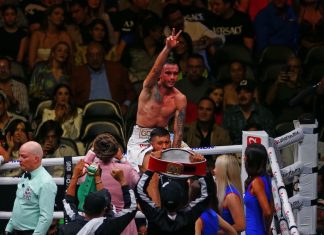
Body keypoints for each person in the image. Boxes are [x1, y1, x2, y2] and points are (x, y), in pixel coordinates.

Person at [126, 29, 187, 170]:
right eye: (168, 73)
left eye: (175, 74)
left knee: (189, 162)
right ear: (160, 74)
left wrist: (174, 155)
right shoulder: (149, 89)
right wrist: (168, 48)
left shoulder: (180, 98)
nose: (172, 77)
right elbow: (154, 69)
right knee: (151, 166)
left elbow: (178, 132)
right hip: (142, 140)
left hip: (165, 138)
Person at [135, 152, 209, 235]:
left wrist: (153, 165)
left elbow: (139, 190)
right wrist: (199, 167)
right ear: (182, 199)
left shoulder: (154, 215)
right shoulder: (189, 216)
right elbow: (207, 193)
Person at [59, 159, 137, 235]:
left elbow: (68, 201)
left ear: (83, 207)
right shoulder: (110, 226)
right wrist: (122, 180)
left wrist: (75, 176)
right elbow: (131, 207)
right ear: (105, 208)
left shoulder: (68, 228)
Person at [83, 133, 139, 235]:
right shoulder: (125, 169)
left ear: (96, 150)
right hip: (124, 222)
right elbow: (137, 181)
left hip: (99, 224)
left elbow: (81, 170)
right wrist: (122, 158)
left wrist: (91, 151)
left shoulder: (90, 170)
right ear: (116, 149)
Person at [5, 141, 57, 235]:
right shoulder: (25, 174)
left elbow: (46, 217)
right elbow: (19, 203)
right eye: (19, 155)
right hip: (15, 231)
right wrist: (9, 227)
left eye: (24, 156)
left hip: (31, 232)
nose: (19, 159)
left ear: (36, 159)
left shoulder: (46, 182)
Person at [70, 41, 135, 111]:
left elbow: (131, 91)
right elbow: (71, 96)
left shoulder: (117, 69)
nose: (95, 58)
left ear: (103, 55)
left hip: (114, 112)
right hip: (87, 114)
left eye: (98, 55)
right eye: (91, 55)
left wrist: (125, 105)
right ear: (86, 57)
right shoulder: (78, 73)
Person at [222, 79, 274, 144]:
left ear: (253, 94)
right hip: (235, 151)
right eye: (239, 92)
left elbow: (270, 137)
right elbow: (224, 138)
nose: (242, 95)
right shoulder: (229, 114)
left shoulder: (264, 113)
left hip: (260, 149)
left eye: (246, 92)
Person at [28, 4, 72, 69]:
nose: (60, 17)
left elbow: (70, 62)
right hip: (40, 73)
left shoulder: (65, 36)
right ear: (48, 16)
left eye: (62, 15)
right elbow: (31, 63)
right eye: (56, 14)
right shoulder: (37, 35)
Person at [29, 41, 71, 106]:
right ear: (53, 53)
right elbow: (33, 91)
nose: (63, 53)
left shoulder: (67, 74)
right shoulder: (41, 68)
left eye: (66, 52)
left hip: (62, 107)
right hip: (42, 105)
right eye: (59, 50)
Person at [244, 143, 273, 235]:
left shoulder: (257, 182)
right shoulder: (267, 178)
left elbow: (268, 211)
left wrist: (267, 228)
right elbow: (271, 206)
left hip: (255, 231)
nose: (244, 159)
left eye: (246, 156)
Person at [214, 154, 245, 233]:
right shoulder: (223, 191)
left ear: (223, 171)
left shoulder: (231, 196)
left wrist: (218, 233)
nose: (214, 170)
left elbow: (241, 225)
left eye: (216, 167)